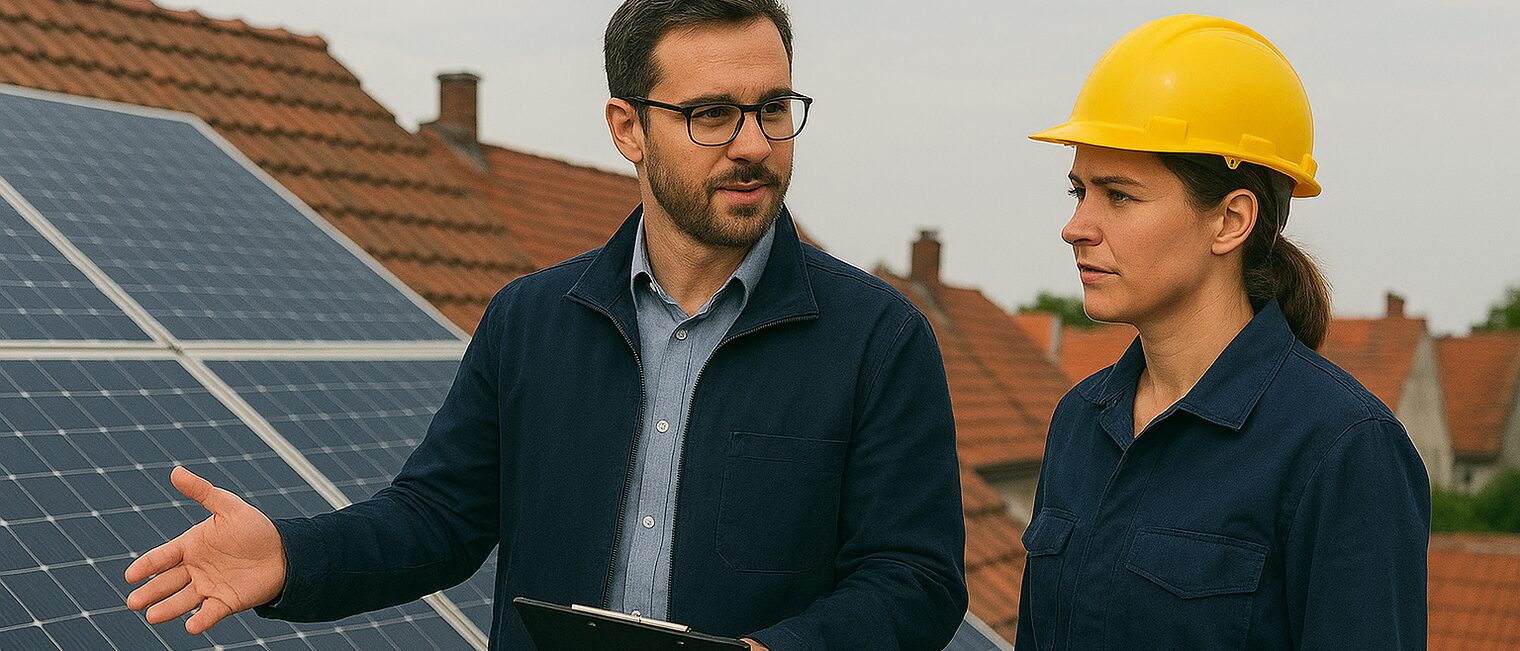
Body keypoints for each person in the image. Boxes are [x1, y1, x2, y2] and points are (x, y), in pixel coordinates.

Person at [122, 1, 968, 649]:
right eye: (712, 114)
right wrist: (290, 558)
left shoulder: (879, 341)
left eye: (773, 107)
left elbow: (916, 579)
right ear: (627, 128)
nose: (753, 143)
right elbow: (436, 519)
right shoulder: (529, 321)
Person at [1016, 14, 1430, 650]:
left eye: (1118, 196)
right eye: (1078, 192)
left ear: (1232, 220)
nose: (1076, 226)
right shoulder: (1080, 421)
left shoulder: (1344, 451)